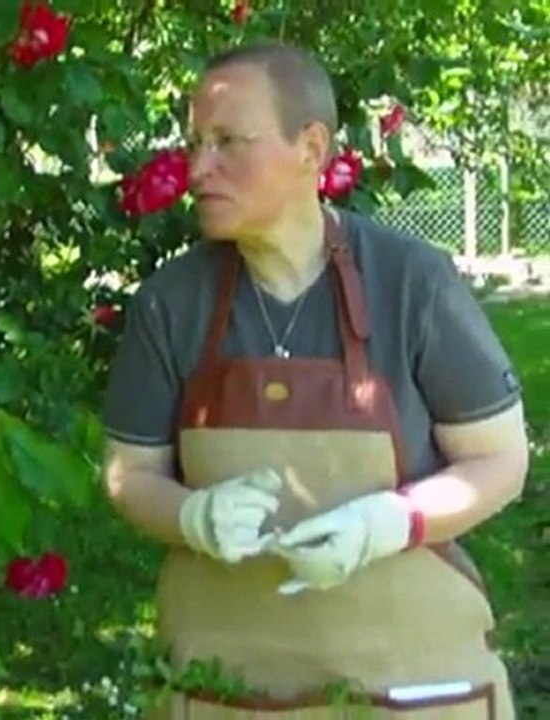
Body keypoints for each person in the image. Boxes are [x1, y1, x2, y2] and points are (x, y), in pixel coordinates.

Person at [101, 40, 530, 720]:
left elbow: (501, 460)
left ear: (311, 148)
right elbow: (129, 476)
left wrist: (394, 520)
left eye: (227, 141)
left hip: (411, 688)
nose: (197, 168)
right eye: (194, 143)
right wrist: (192, 515)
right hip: (223, 690)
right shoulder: (171, 301)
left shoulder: (412, 282)